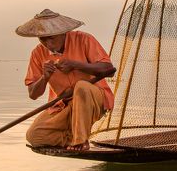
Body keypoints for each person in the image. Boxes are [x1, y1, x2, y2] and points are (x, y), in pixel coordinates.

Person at [16, 9, 115, 151]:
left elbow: (109, 69)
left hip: (93, 101)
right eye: (42, 38)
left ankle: (81, 140)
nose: (47, 43)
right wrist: (45, 77)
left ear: (63, 33)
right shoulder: (38, 53)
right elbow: (33, 94)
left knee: (81, 86)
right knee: (35, 137)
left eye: (51, 37)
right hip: (64, 105)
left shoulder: (84, 39)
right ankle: (73, 136)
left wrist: (75, 65)